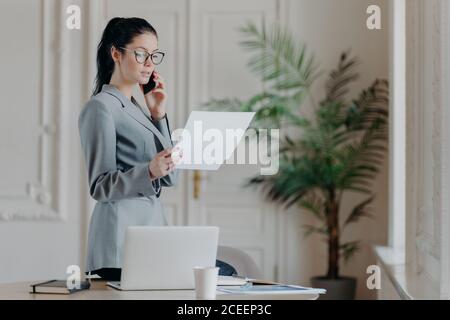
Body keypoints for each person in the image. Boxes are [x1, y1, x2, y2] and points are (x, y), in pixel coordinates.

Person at [79, 17, 235, 281]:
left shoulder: (137, 109)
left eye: (154, 55)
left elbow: (170, 177)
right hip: (118, 243)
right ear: (116, 53)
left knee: (223, 272)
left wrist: (158, 115)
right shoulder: (101, 107)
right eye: (141, 54)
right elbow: (100, 187)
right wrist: (149, 171)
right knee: (218, 274)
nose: (149, 63)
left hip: (150, 235)